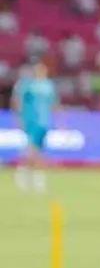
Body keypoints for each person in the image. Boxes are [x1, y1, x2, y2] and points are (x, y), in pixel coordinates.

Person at [11, 61, 57, 194]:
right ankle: (34, 178)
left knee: (38, 150)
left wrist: (59, 119)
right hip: (31, 120)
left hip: (45, 121)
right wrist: (19, 117)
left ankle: (26, 173)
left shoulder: (49, 86)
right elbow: (17, 101)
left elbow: (53, 102)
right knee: (33, 149)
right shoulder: (27, 85)